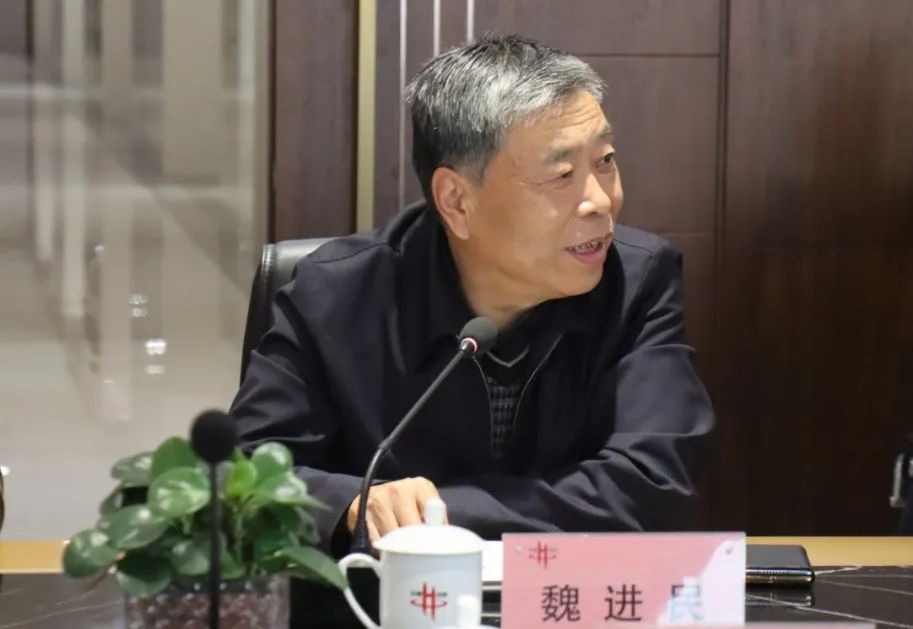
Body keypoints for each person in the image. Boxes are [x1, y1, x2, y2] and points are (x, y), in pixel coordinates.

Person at [231, 33, 715, 625]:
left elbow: (654, 482)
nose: (600, 200)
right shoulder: (335, 294)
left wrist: (435, 519)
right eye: (562, 174)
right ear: (456, 200)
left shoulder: (638, 280)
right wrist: (352, 506)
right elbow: (245, 475)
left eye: (606, 162)